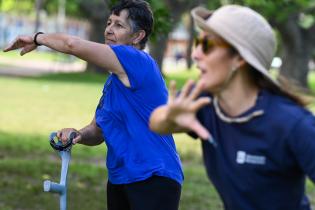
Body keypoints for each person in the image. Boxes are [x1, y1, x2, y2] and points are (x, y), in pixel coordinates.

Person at [3, 0, 183, 210]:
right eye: (109, 22)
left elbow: (73, 45)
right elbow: (98, 131)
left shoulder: (138, 61)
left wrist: (37, 38)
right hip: (120, 178)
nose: (109, 29)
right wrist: (77, 134)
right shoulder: (113, 83)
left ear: (138, 36)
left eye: (119, 25)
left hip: (153, 176)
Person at [149, 4, 315, 210]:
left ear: (239, 58)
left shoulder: (293, 124)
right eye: (198, 41)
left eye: (207, 44)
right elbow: (155, 122)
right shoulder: (203, 102)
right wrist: (169, 118)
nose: (196, 54)